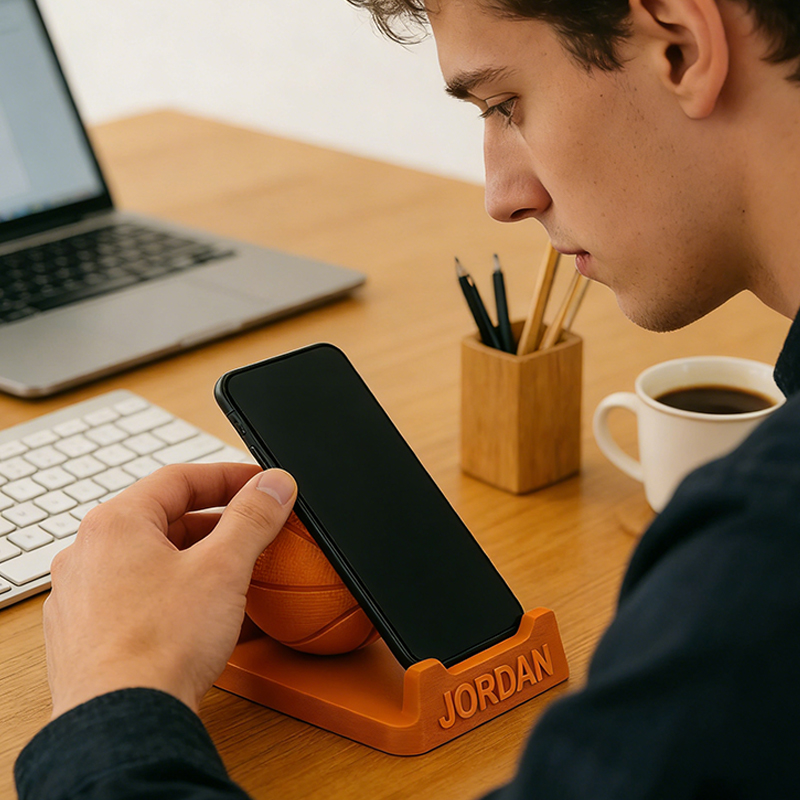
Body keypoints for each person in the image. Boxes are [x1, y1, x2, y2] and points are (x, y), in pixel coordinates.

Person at [14, 0, 800, 797]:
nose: (502, 195)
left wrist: (112, 697)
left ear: (681, 48)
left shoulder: (759, 568)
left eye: (505, 104)